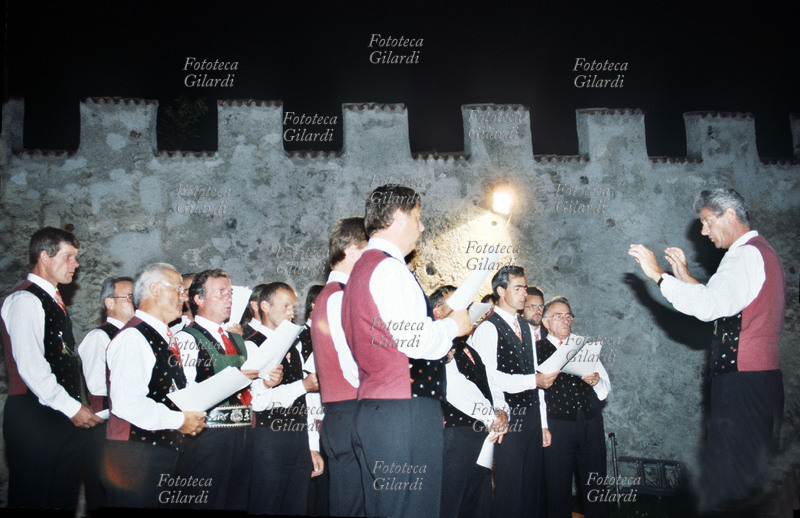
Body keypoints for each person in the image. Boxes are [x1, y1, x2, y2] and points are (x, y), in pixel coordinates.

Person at [628, 188, 785, 511]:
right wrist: (684, 276)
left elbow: (711, 307)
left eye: (706, 221)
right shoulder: (760, 252)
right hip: (757, 381)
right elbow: (725, 301)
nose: (703, 231)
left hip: (743, 383)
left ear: (729, 215)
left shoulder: (745, 255)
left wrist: (658, 276)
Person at [341, 184, 472, 518]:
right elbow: (414, 340)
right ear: (398, 216)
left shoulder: (362, 268)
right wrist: (454, 327)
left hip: (379, 408)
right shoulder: (389, 268)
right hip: (403, 413)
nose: (422, 225)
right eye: (418, 216)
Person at [1, 227, 102, 509]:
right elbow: (31, 367)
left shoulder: (55, 302)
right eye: (69, 256)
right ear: (44, 256)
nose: (76, 264)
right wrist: (73, 408)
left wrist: (71, 409)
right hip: (34, 416)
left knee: (61, 500)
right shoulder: (25, 300)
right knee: (33, 501)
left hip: (59, 415)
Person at [104, 263, 206, 508]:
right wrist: (180, 420)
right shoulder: (133, 337)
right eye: (179, 290)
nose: (185, 298)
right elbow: (126, 404)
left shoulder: (163, 334)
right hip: (136, 457)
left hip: (159, 451)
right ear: (155, 290)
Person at [173, 268, 259, 510]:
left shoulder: (235, 338)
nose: (229, 298)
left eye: (230, 292)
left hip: (241, 437)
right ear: (198, 299)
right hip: (207, 439)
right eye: (220, 292)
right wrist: (234, 379)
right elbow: (186, 396)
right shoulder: (186, 339)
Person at [471, 265, 552, 518]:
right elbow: (489, 378)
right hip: (507, 417)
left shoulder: (527, 328)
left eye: (525, 287)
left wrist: (543, 424)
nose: (524, 293)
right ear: (500, 290)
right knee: (510, 488)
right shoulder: (488, 328)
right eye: (518, 288)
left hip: (531, 419)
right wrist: (533, 381)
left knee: (532, 486)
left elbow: (536, 374)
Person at [246, 281, 323, 516]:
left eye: (294, 307)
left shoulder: (296, 346)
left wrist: (312, 446)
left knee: (296, 504)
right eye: (286, 306)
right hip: (267, 439)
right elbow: (258, 401)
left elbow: (306, 402)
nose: (292, 313)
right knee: (267, 503)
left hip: (297, 439)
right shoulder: (251, 344)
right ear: (265, 306)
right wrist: (303, 385)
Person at [431, 285, 507, 518]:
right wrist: (491, 417)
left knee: (479, 502)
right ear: (437, 312)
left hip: (481, 434)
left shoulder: (467, 347)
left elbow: (491, 384)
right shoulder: (438, 347)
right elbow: (454, 388)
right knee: (452, 504)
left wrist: (501, 411)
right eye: (456, 306)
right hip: (455, 436)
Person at [311, 217, 368, 517]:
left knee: (353, 500)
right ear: (350, 250)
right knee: (353, 503)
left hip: (343, 411)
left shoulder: (333, 294)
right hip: (351, 410)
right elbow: (351, 363)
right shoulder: (340, 296)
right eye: (368, 252)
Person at [537, 296, 611, 518]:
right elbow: (536, 394)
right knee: (557, 487)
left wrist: (597, 381)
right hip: (557, 425)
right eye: (558, 315)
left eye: (568, 315)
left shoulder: (584, 346)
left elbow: (605, 389)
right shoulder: (537, 349)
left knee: (596, 484)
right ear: (546, 322)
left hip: (590, 422)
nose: (565, 319)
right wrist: (542, 426)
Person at [77, 275, 135, 510]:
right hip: (106, 433)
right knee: (105, 501)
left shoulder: (136, 336)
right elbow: (98, 387)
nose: (136, 301)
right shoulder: (98, 337)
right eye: (129, 297)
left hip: (131, 431)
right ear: (109, 303)